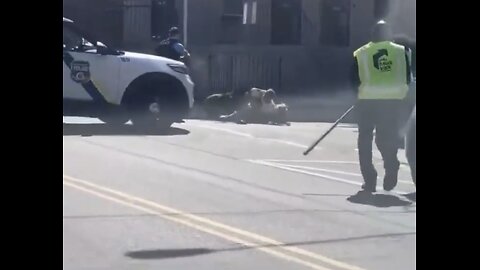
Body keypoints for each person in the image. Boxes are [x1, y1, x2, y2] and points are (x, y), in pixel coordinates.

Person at [351, 20, 413, 192]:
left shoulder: (362, 53)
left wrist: (357, 94)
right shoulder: (401, 52)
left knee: (364, 140)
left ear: (373, 35)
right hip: (392, 103)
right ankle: (391, 165)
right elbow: (408, 78)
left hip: (367, 102)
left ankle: (369, 179)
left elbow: (353, 79)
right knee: (385, 139)